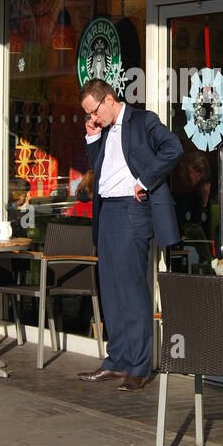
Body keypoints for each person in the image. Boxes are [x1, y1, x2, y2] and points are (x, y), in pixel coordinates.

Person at [77, 78, 182, 391]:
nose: (93, 118)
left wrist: (145, 180)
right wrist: (93, 137)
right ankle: (116, 360)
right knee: (110, 288)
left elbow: (173, 148)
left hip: (132, 210)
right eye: (88, 115)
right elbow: (102, 168)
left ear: (109, 99)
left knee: (133, 289)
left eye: (94, 112)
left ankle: (138, 366)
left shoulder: (142, 120)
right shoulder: (104, 129)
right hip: (107, 211)